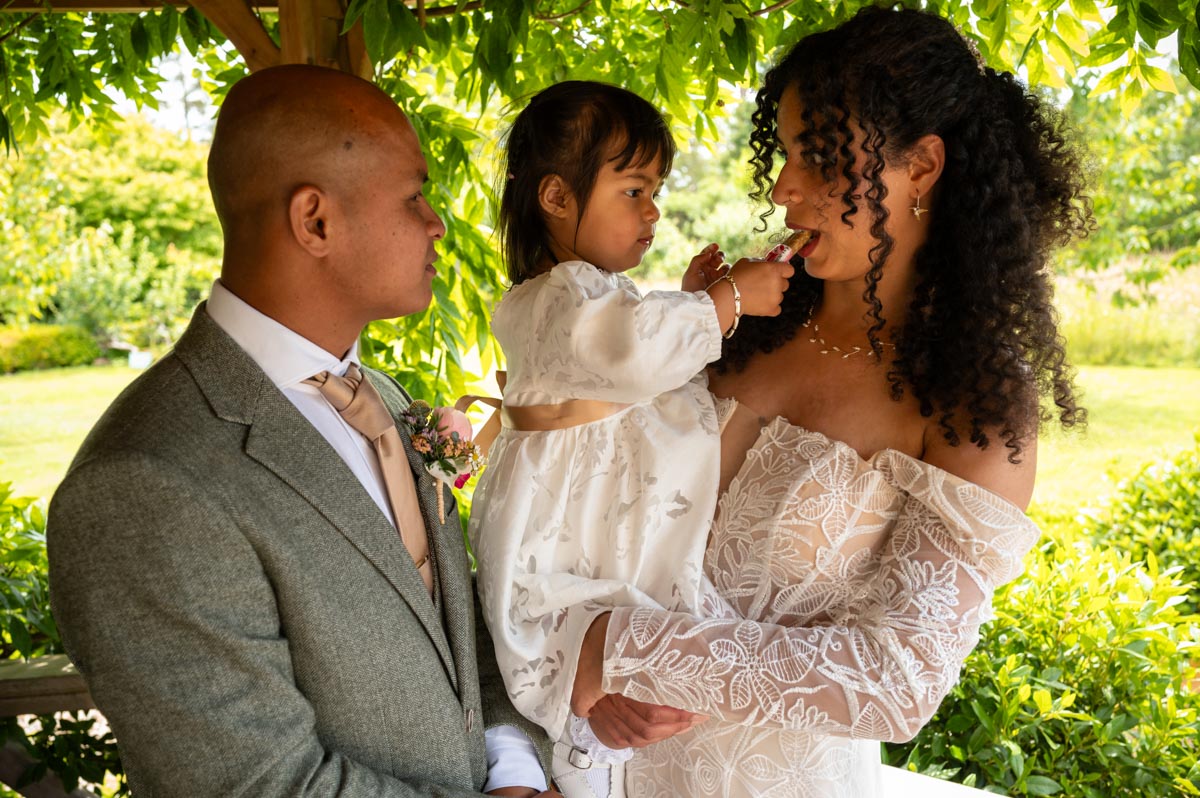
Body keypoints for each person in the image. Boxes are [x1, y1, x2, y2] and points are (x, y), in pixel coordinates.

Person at [569, 7, 1092, 797]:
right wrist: (593, 666)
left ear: (921, 167)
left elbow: (899, 680)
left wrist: (620, 648)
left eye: (818, 155)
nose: (783, 187)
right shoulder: (740, 318)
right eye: (784, 154)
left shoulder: (972, 399)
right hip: (592, 767)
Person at [47, 64, 557, 797]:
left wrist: (512, 767)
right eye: (415, 196)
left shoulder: (382, 397)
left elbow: (457, 623)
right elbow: (257, 784)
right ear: (315, 220)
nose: (437, 222)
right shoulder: (144, 482)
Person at [468, 81, 792, 798]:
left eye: (657, 192)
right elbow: (630, 353)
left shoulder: (586, 295)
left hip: (595, 529)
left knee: (625, 713)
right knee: (598, 716)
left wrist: (689, 300)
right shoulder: (559, 294)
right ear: (556, 197)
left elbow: (636, 365)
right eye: (634, 190)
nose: (653, 211)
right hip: (568, 539)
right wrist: (727, 299)